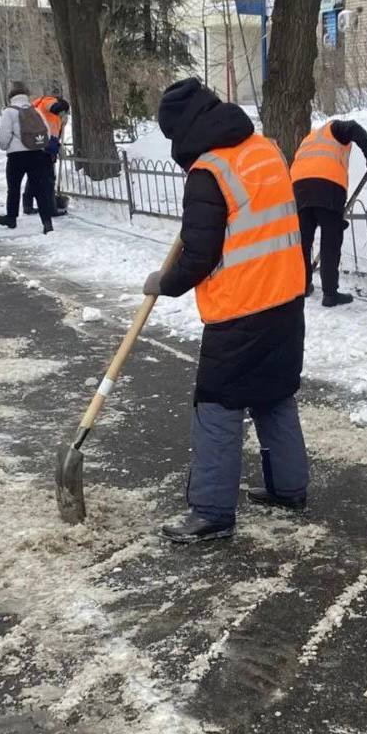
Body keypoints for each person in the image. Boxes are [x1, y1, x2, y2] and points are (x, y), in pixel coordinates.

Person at [142, 78, 309, 544]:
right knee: (274, 394)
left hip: (240, 310)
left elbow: (198, 255)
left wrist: (165, 283)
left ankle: (211, 512)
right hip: (285, 298)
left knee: (216, 405)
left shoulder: (208, 173)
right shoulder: (264, 149)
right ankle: (288, 487)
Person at [290, 119, 367, 306]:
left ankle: (302, 286)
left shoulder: (307, 139)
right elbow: (353, 127)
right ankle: (330, 293)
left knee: (303, 242)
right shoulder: (333, 128)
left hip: (299, 189)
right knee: (330, 240)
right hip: (328, 186)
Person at [0, 81, 56, 234]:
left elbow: (4, 137)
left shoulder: (9, 112)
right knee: (40, 189)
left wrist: (7, 146)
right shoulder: (35, 110)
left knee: (14, 187)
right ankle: (47, 222)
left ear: (11, 96)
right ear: (26, 95)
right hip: (37, 154)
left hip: (17, 156)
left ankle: (11, 219)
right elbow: (46, 132)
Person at [23, 86, 70, 217]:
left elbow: (55, 133)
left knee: (34, 177)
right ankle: (50, 208)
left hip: (35, 144)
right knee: (48, 178)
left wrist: (58, 146)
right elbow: (54, 107)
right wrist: (62, 112)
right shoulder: (48, 101)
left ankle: (27, 205)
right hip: (44, 145)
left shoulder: (36, 106)